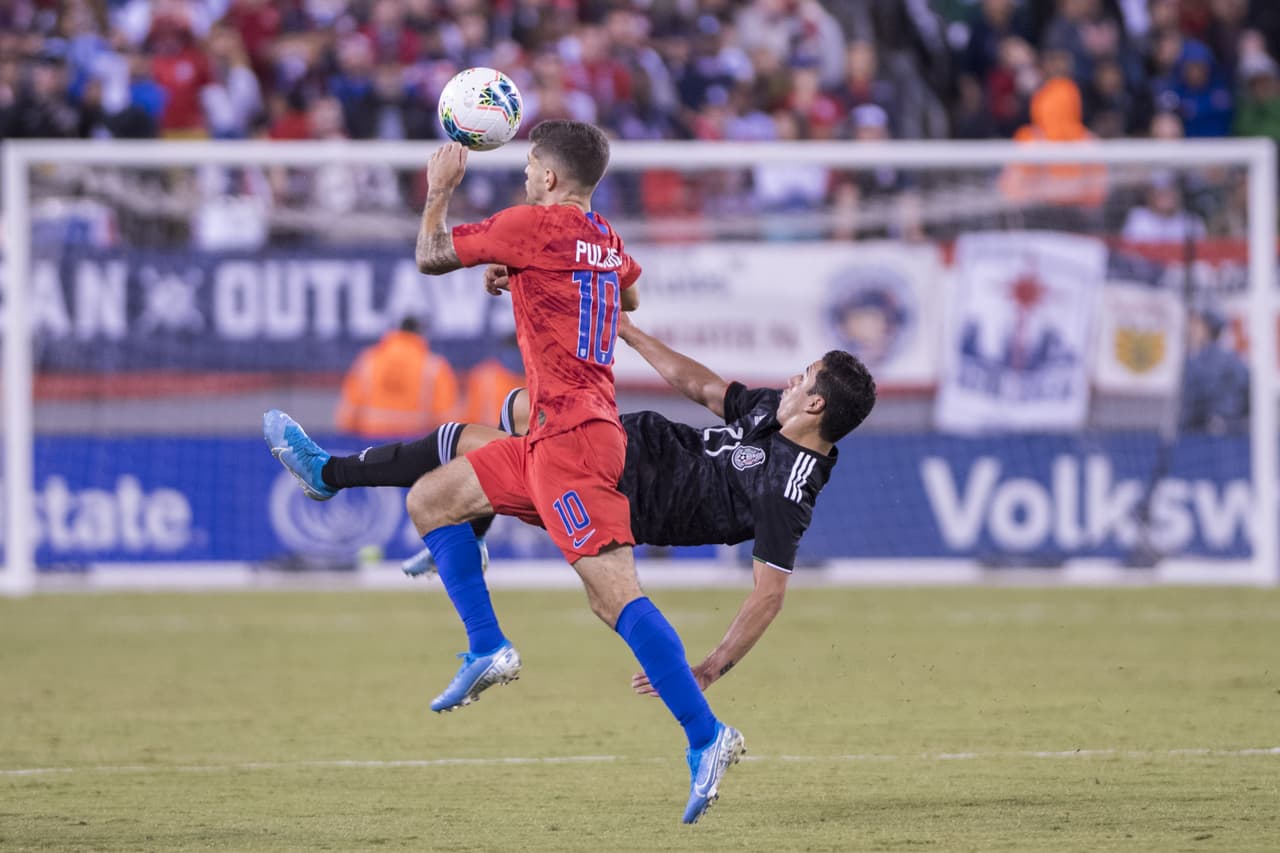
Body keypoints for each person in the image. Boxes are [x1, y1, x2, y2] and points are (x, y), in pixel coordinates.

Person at [375, 121, 734, 824]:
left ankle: (708, 734)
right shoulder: (602, 234)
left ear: (546, 177)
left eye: (529, 168)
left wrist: (438, 191)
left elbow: (429, 254)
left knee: (613, 597)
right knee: (433, 498)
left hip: (574, 440)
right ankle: (488, 647)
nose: (525, 178)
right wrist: (537, 276)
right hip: (552, 432)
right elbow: (628, 294)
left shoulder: (532, 224)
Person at [265, 314, 876, 693]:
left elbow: (768, 594)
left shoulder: (789, 484)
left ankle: (333, 475)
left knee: (468, 444)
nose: (793, 379)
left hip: (607, 489)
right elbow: (704, 387)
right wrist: (632, 334)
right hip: (616, 442)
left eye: (805, 376)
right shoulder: (773, 410)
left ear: (818, 406)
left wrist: (710, 668)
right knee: (512, 411)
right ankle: (450, 528)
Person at [335, 315, 460, 439]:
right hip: (414, 446)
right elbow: (447, 422)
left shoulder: (368, 361)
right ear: (421, 335)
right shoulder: (434, 366)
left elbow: (347, 417)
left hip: (371, 444)